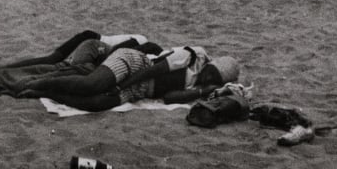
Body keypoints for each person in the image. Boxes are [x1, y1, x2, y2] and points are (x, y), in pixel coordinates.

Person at [15, 44, 240, 112]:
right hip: (135, 65)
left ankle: (46, 92)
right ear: (211, 63)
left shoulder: (198, 85)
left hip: (139, 90)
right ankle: (39, 82)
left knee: (98, 104)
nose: (208, 76)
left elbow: (170, 98)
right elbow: (155, 69)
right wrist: (122, 84)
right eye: (212, 71)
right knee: (93, 85)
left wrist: (201, 91)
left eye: (214, 78)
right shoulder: (192, 56)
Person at [0, 30, 162, 97]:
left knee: (52, 62)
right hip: (91, 44)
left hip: (91, 42)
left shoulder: (141, 47)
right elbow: (111, 54)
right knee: (55, 64)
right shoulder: (139, 43)